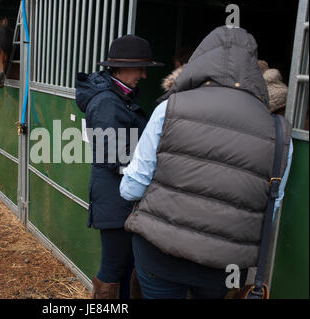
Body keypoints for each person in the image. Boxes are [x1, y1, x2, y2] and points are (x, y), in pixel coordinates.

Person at [120, 26, 293, 299]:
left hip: (158, 255)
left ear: (202, 60)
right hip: (224, 266)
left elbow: (131, 188)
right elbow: (270, 210)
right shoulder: (279, 131)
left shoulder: (170, 108)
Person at [75, 35, 163, 299]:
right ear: (123, 68)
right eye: (141, 69)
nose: (144, 76)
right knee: (113, 269)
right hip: (115, 201)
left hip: (121, 198)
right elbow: (114, 155)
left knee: (127, 268)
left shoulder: (119, 97)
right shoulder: (106, 102)